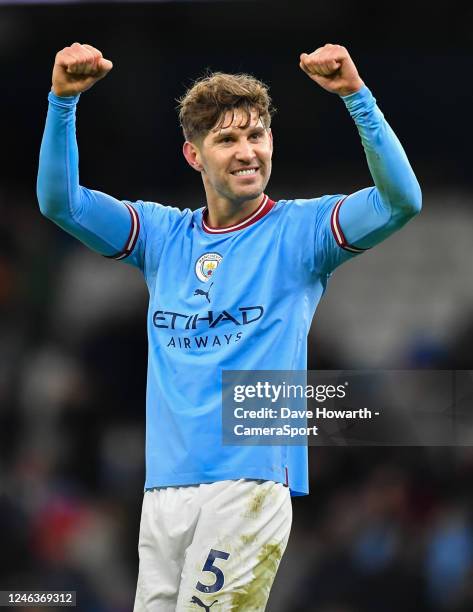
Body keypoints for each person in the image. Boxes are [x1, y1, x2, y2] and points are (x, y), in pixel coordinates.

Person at [37, 41, 421, 611]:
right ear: (193, 155)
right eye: (227, 139)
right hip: (163, 492)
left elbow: (401, 203)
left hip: (247, 485)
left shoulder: (302, 233)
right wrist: (62, 101)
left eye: (257, 135)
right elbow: (60, 203)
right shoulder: (163, 238)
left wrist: (356, 98)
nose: (247, 152)